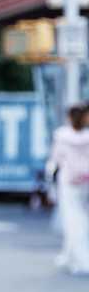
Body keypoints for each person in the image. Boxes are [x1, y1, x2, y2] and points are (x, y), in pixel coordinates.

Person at [46, 103, 89, 275]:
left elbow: (55, 159)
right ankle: (70, 255)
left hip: (69, 182)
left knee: (73, 220)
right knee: (81, 218)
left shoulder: (62, 136)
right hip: (85, 182)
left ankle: (79, 258)